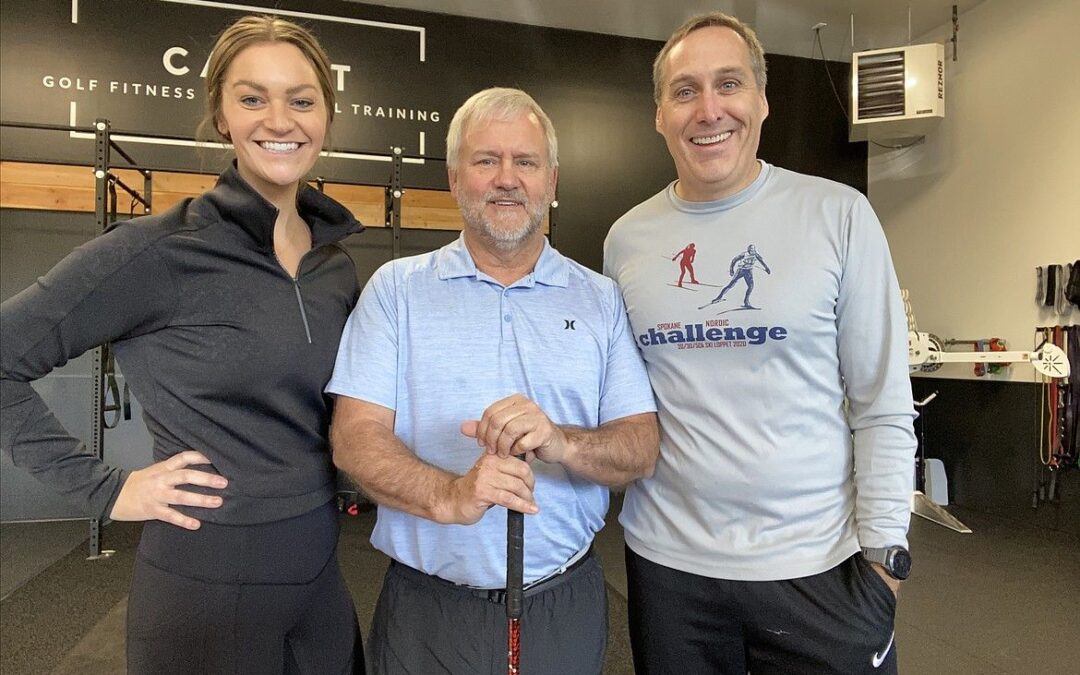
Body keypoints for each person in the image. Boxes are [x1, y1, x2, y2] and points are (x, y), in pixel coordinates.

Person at [0, 15, 365, 674]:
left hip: (320, 572)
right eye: (253, 98)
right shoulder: (159, 251)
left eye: (302, 100)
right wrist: (106, 489)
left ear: (326, 118)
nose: (279, 119)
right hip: (207, 581)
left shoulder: (334, 262)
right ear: (221, 116)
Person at [603, 12, 917, 675]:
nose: (708, 108)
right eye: (684, 90)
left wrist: (887, 557)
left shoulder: (838, 216)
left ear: (762, 101)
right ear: (659, 113)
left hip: (820, 570)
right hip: (670, 572)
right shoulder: (626, 239)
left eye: (729, 84)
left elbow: (882, 403)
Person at [327, 87, 659, 675]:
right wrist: (451, 495)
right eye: (486, 161)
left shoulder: (601, 299)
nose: (507, 179)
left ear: (551, 182)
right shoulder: (396, 291)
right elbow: (355, 439)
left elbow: (640, 445)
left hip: (564, 602)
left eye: (525, 162)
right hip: (428, 609)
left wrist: (560, 440)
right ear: (456, 180)